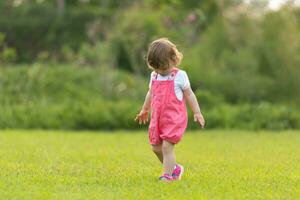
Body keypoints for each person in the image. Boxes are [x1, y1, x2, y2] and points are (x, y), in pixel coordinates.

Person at [135, 38, 205, 181]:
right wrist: (145, 109)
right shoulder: (154, 76)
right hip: (157, 118)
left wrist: (197, 112)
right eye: (157, 68)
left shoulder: (180, 76)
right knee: (155, 147)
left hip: (174, 118)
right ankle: (174, 168)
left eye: (164, 68)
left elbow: (189, 94)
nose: (160, 71)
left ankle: (167, 176)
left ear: (174, 59)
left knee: (167, 147)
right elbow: (151, 92)